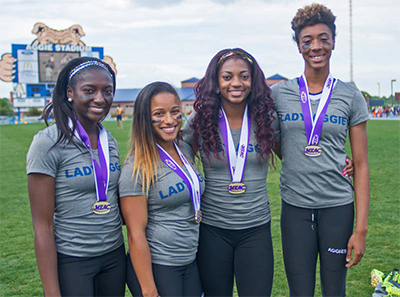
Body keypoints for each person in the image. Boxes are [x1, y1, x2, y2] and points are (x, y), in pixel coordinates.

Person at [271, 4, 370, 296]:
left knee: (334, 290)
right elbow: (278, 144)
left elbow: (362, 165)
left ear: (333, 42)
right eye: (308, 40)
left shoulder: (350, 96)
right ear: (299, 46)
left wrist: (361, 228)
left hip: (337, 207)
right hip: (295, 207)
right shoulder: (279, 94)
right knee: (299, 291)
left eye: (323, 38)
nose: (316, 46)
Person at [26, 57, 126, 296]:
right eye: (89, 90)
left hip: (114, 256)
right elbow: (42, 225)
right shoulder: (48, 142)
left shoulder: (108, 140)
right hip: (73, 260)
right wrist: (52, 292)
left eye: (107, 91)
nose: (100, 99)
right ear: (70, 92)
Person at [183, 48, 276, 296]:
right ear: (216, 81)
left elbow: (294, 151)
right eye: (227, 77)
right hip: (213, 230)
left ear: (253, 81)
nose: (236, 83)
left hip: (256, 229)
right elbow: (175, 159)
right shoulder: (199, 120)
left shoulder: (267, 118)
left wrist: (341, 161)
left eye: (244, 76)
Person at [119, 82, 204, 297]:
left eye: (175, 112)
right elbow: (135, 233)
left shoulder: (184, 147)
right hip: (159, 265)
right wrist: (149, 290)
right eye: (159, 113)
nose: (169, 120)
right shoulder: (136, 167)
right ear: (144, 118)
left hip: (189, 260)